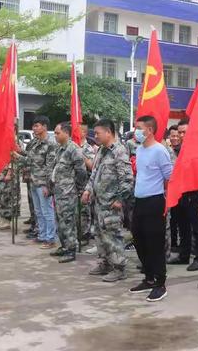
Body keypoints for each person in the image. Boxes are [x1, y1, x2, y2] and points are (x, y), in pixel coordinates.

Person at [81, 118, 133, 282]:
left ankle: (119, 268)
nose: (95, 136)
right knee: (100, 235)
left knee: (113, 236)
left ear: (109, 132)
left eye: (98, 133)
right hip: (99, 203)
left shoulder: (119, 151)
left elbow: (127, 179)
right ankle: (105, 263)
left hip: (112, 204)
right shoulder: (102, 151)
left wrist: (119, 199)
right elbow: (94, 173)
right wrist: (88, 190)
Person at [129, 116, 173, 301]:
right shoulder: (139, 149)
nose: (135, 131)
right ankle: (148, 277)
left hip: (155, 201)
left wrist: (166, 202)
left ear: (149, 130)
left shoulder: (159, 150)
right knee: (139, 239)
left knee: (155, 243)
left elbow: (169, 176)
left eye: (139, 128)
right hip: (139, 201)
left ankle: (160, 283)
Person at [14, 116, 57, 249]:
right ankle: (42, 235)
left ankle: (50, 239)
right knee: (38, 211)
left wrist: (48, 185)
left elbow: (50, 166)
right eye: (34, 126)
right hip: (33, 180)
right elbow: (29, 158)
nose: (34, 128)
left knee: (47, 211)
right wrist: (18, 153)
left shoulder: (50, 144)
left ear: (44, 127)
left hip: (43, 182)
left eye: (37, 125)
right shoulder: (35, 142)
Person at [168, 118, 198, 271]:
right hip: (181, 192)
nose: (182, 135)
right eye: (180, 132)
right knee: (182, 226)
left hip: (196, 193)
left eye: (185, 132)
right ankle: (184, 255)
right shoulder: (179, 149)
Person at [49, 122, 87, 263]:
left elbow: (81, 171)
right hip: (59, 192)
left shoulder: (73, 149)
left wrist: (77, 188)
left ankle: (71, 250)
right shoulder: (60, 149)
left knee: (68, 222)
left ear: (66, 133)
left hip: (68, 192)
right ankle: (64, 246)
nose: (56, 136)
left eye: (58, 133)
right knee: (60, 221)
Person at [79, 124, 96, 243]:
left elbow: (91, 166)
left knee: (85, 211)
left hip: (85, 183)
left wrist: (81, 154)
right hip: (72, 185)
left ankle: (85, 234)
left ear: (84, 133)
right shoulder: (71, 146)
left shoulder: (87, 148)